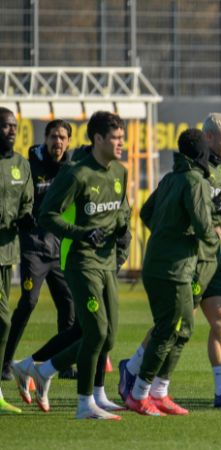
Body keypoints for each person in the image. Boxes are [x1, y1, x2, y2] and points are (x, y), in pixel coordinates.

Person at [118, 113, 221, 408]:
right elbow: (159, 214)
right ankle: (135, 368)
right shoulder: (190, 175)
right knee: (173, 323)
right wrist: (176, 237)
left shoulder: (216, 170)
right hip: (191, 259)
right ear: (208, 138)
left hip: (211, 258)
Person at [30, 111, 129, 420]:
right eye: (115, 138)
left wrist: (122, 229)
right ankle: (84, 404)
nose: (120, 144)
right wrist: (83, 233)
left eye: (122, 139)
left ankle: (47, 371)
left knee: (109, 337)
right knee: (96, 332)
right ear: (97, 139)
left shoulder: (120, 172)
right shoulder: (76, 174)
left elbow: (121, 212)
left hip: (107, 262)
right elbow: (47, 215)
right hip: (80, 261)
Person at [124, 128, 218, 416]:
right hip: (174, 268)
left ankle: (159, 392)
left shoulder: (171, 178)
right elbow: (204, 228)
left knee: (182, 328)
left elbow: (146, 212)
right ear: (202, 152)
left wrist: (168, 233)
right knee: (169, 330)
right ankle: (140, 394)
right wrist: (214, 231)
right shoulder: (195, 181)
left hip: (159, 263)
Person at [4, 120, 75, 382]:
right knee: (29, 302)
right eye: (54, 137)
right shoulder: (29, 165)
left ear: (68, 142)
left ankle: (64, 363)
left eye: (63, 138)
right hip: (32, 245)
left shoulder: (70, 167)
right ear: (45, 139)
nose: (58, 142)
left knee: (68, 304)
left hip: (57, 247)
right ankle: (6, 362)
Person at [0, 107, 34, 414]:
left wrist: (27, 220)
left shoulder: (21, 165)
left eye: (14, 126)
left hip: (6, 252)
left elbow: (26, 203)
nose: (12, 130)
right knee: (3, 319)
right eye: (6, 126)